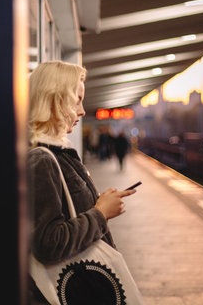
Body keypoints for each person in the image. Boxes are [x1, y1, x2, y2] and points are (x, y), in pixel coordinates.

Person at [27, 61, 137, 303]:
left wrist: (99, 204)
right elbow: (48, 244)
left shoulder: (57, 153)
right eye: (76, 99)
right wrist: (100, 213)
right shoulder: (41, 160)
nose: (83, 111)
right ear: (56, 101)